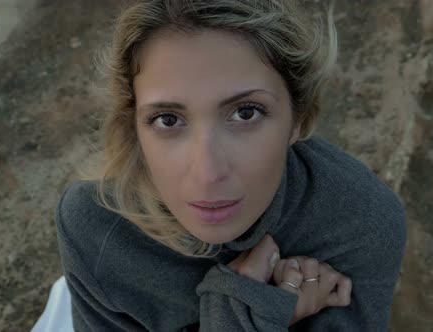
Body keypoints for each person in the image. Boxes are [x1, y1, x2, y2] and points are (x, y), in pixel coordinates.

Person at [54, 0, 407, 331]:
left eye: (246, 113)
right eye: (167, 119)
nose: (208, 174)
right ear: (134, 126)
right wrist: (243, 315)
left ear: (298, 118)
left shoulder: (360, 223)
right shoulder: (96, 226)